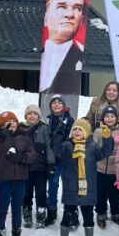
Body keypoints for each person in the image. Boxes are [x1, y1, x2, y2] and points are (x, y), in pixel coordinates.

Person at [54, 118, 114, 236]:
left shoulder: (93, 147)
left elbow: (106, 152)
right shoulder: (67, 146)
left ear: (86, 132)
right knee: (67, 214)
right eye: (74, 129)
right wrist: (58, 134)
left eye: (80, 129)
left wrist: (107, 138)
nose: (76, 131)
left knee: (88, 215)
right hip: (71, 187)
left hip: (88, 188)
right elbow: (56, 149)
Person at [0, 111, 37, 236]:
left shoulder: (24, 137)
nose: (12, 124)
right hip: (4, 178)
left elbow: (32, 154)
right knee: (2, 207)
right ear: (2, 126)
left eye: (13, 121)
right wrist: (1, 138)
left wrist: (22, 157)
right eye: (8, 123)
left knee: (17, 207)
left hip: (20, 178)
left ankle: (16, 232)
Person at [39, 0, 85, 100]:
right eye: (61, 7)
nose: (69, 14)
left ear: (81, 21)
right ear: (46, 18)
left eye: (77, 8)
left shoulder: (81, 60)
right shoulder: (35, 54)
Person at [21, 104, 55, 229]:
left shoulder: (44, 128)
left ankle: (41, 216)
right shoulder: (21, 128)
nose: (32, 116)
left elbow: (48, 147)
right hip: (25, 168)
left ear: (38, 116)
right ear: (26, 116)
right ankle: (27, 215)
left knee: (41, 193)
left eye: (35, 114)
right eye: (29, 114)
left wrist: (50, 163)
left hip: (40, 168)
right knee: (26, 193)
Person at [93, 105, 119, 229]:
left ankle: (116, 213)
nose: (110, 118)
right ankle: (101, 213)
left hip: (115, 170)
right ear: (103, 118)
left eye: (112, 116)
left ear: (116, 118)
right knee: (100, 193)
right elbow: (94, 148)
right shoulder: (98, 131)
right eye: (107, 116)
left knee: (115, 194)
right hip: (100, 168)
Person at [44, 94, 74, 227]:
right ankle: (51, 212)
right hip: (52, 161)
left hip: (66, 160)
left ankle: (71, 214)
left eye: (59, 103)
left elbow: (72, 139)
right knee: (52, 187)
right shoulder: (47, 121)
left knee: (69, 188)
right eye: (54, 103)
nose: (56, 105)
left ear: (64, 105)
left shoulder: (70, 120)